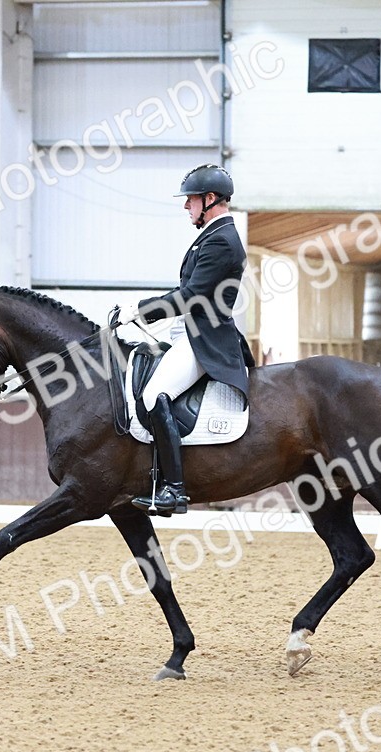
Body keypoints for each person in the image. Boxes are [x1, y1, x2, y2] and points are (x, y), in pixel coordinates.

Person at [116, 164, 253, 516]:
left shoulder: (221, 239)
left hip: (206, 337)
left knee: (153, 395)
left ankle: (173, 489)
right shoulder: (212, 235)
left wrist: (141, 309)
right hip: (190, 330)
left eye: (191, 200)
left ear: (210, 199)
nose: (186, 207)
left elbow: (191, 296)